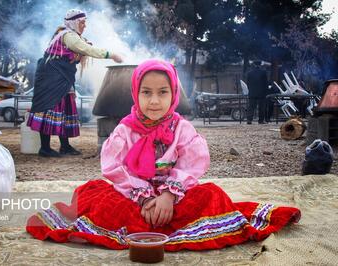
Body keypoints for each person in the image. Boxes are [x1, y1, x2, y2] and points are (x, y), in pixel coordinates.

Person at [26, 59, 300, 251]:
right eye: (146, 93)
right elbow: (113, 167)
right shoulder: (125, 130)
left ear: (173, 95)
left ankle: (157, 222)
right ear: (136, 93)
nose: (154, 101)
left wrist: (168, 196)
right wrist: (145, 197)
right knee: (95, 193)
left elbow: (194, 162)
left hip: (176, 196)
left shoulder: (182, 128)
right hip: (135, 196)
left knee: (212, 194)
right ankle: (151, 220)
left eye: (162, 92)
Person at [27, 9, 123, 157]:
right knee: (49, 108)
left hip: (62, 78)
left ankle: (65, 146)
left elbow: (82, 48)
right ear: (74, 23)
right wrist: (111, 55)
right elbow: (86, 49)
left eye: (85, 22)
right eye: (82, 22)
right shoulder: (68, 36)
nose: (84, 26)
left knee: (64, 109)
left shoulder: (71, 36)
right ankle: (44, 148)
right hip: (51, 78)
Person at [246, 60, 268, 124]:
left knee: (251, 107)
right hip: (261, 93)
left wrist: (250, 90)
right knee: (261, 107)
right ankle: (261, 120)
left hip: (252, 92)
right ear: (260, 65)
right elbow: (265, 83)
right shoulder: (263, 72)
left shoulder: (249, 73)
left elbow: (248, 83)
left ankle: (249, 120)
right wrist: (265, 92)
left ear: (254, 65)